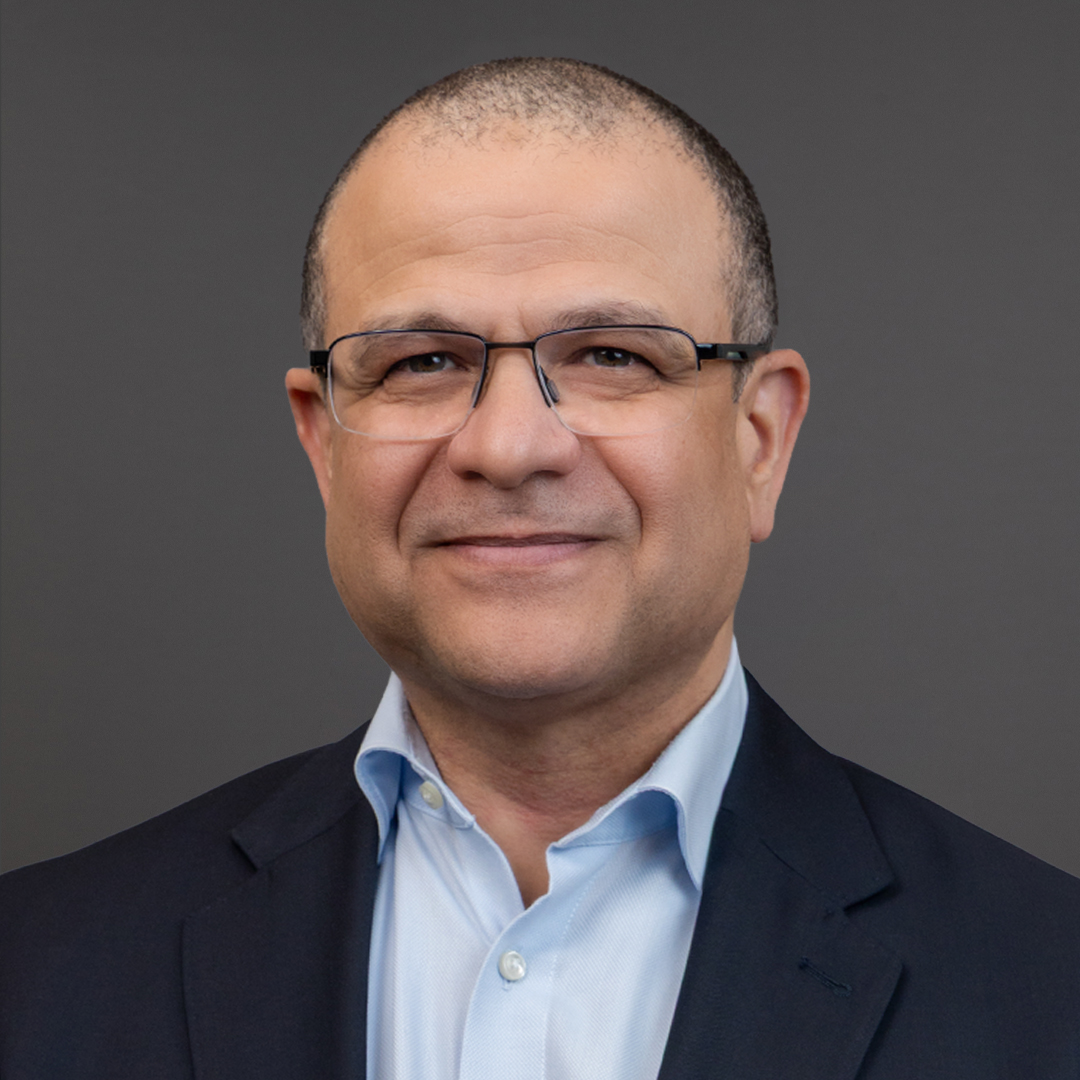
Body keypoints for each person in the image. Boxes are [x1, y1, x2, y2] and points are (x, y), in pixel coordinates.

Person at [1, 57, 1077, 1080]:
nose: (509, 447)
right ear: (325, 444)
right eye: (423, 362)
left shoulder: (1048, 987)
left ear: (759, 440)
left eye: (612, 355)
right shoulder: (36, 972)